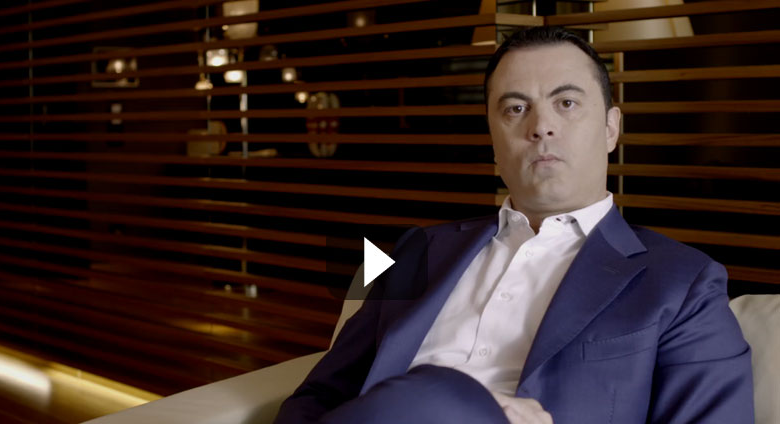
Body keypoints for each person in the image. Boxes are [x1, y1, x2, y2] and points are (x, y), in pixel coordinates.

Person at [274, 26, 754, 424]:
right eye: (515, 108)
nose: (540, 126)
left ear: (611, 128)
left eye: (566, 103)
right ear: (493, 139)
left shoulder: (683, 281)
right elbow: (317, 397)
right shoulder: (419, 250)